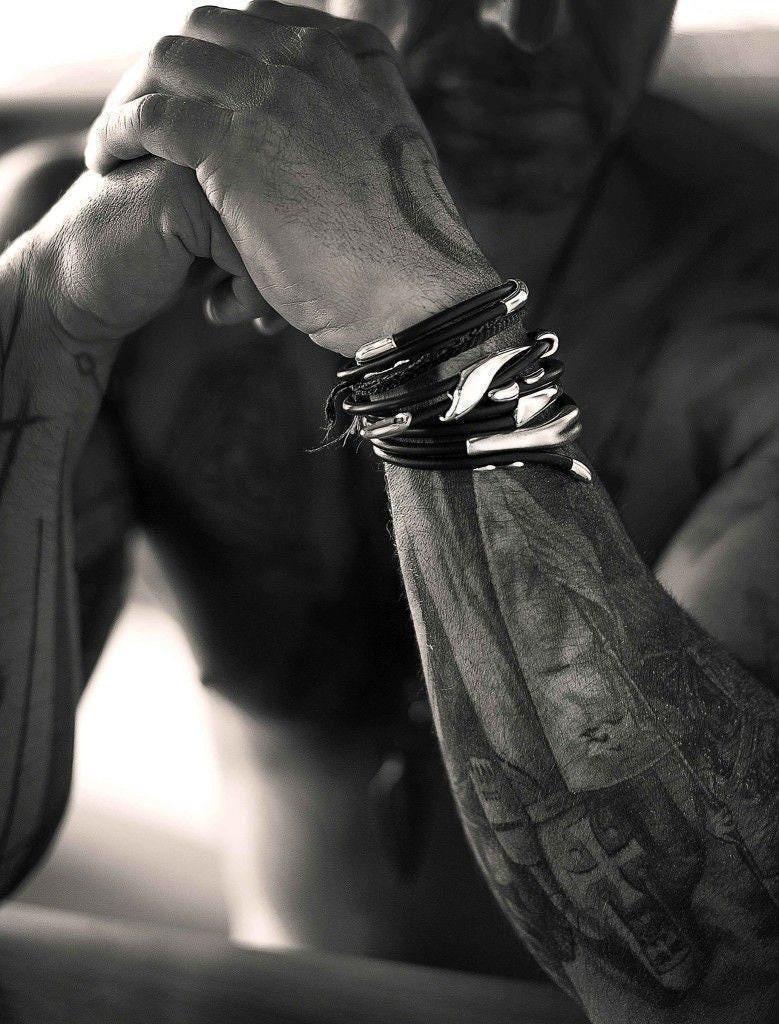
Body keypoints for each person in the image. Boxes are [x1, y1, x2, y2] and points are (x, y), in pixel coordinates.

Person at [0, 1, 776, 1019]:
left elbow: (721, 977)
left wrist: (429, 332)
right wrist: (41, 324)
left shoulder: (752, 310)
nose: (529, 24)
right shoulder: (88, 229)